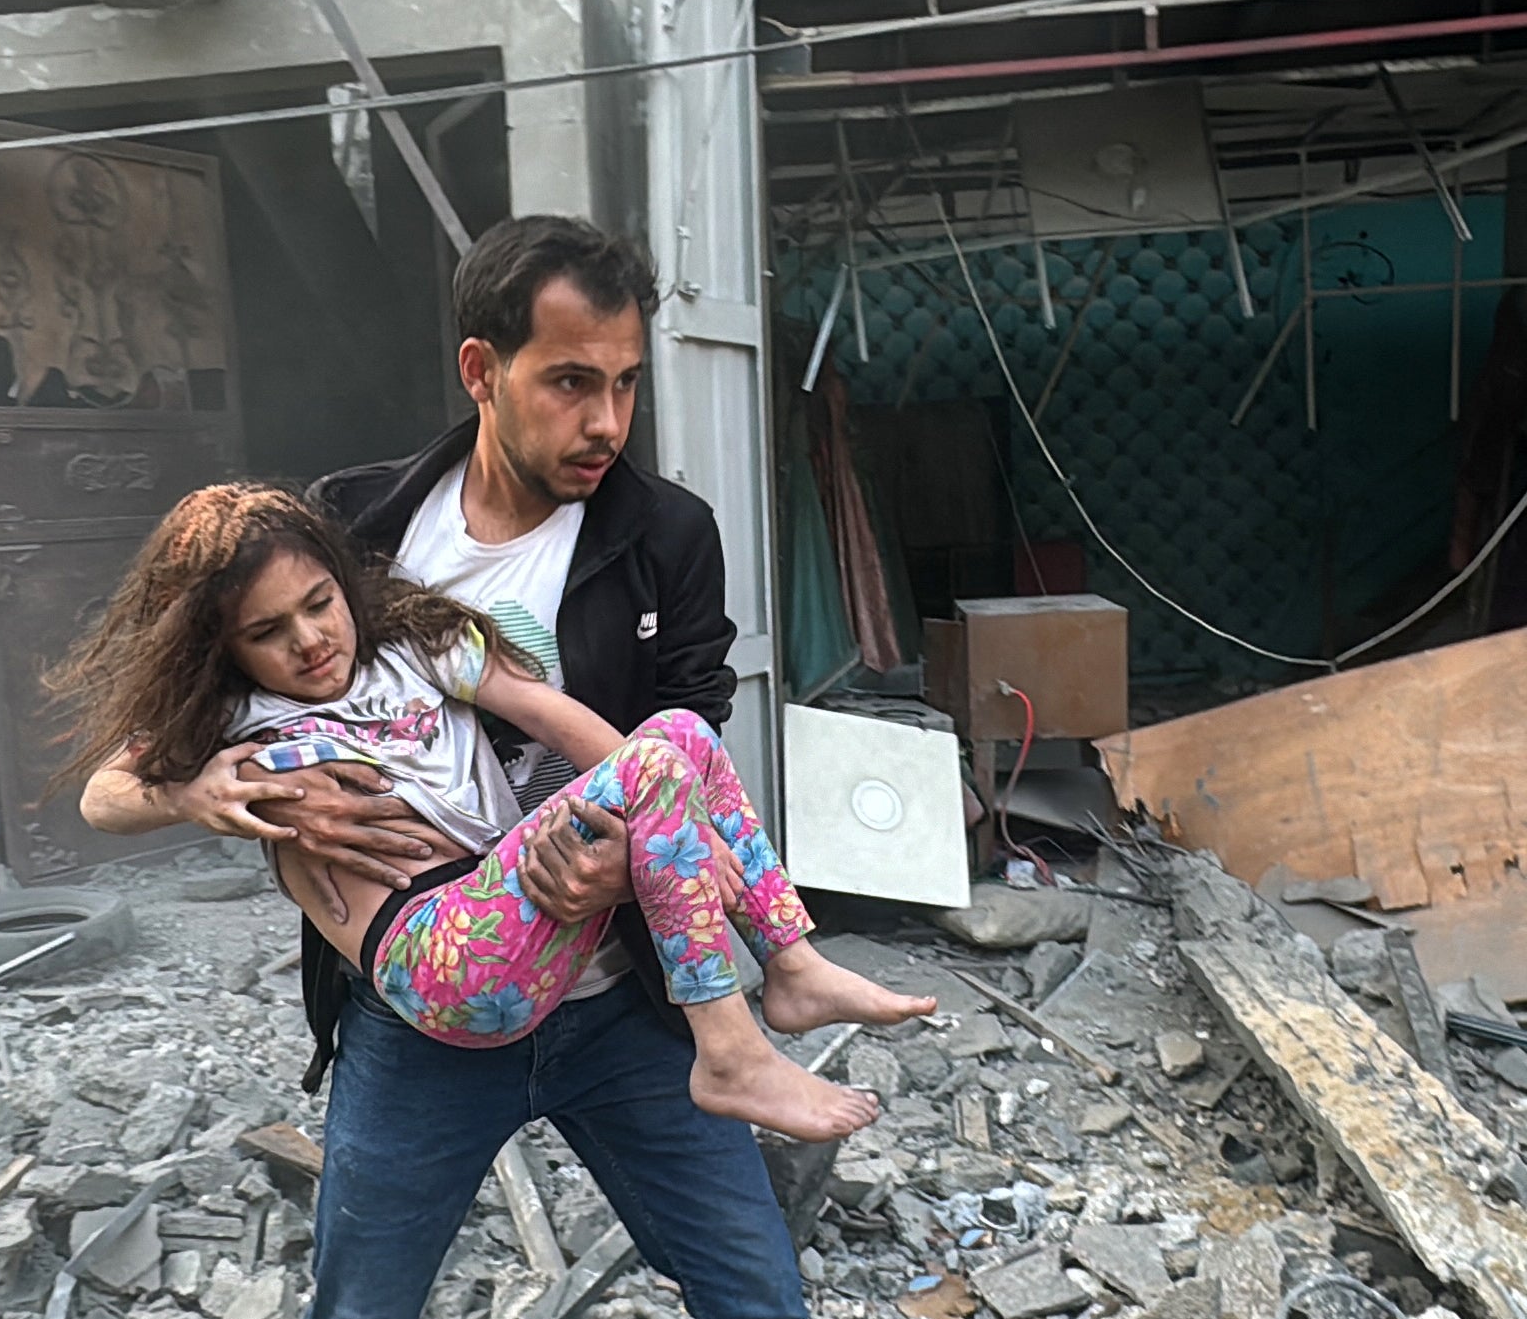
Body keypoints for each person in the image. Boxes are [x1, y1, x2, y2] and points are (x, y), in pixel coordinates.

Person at [60, 218, 913, 1319]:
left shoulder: (662, 537)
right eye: (570, 381)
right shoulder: (344, 534)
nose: (605, 422)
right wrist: (237, 806)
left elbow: (657, 731)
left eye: (627, 386)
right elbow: (153, 756)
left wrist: (625, 849)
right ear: (482, 370)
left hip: (614, 1005)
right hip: (420, 1017)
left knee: (756, 1311)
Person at [58, 482, 929, 1131]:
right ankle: (731, 1054)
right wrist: (190, 791)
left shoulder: (417, 646)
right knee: (660, 765)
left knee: (673, 736)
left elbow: (560, 720)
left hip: (508, 916)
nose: (309, 639)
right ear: (224, 647)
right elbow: (105, 799)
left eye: (319, 604)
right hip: (436, 957)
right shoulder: (235, 714)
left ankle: (792, 963)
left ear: (342, 582)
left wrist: (686, 828)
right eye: (267, 632)